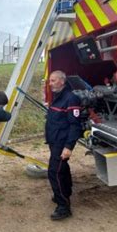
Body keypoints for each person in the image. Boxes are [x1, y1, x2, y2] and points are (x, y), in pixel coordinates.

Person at [45, 70, 82, 221]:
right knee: (63, 168)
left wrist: (69, 147)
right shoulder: (57, 97)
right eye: (50, 80)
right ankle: (65, 193)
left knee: (55, 172)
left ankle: (63, 206)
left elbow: (75, 125)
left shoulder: (70, 98)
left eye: (53, 80)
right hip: (54, 141)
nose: (50, 83)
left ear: (62, 81)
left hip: (62, 143)